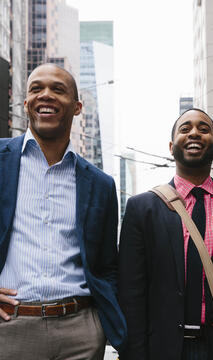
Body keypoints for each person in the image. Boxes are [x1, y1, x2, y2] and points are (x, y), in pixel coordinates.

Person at [118, 108, 213, 360]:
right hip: (162, 350)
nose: (194, 133)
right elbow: (130, 293)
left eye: (204, 129)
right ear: (172, 146)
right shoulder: (142, 209)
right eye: (185, 129)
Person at [0, 63, 126, 359]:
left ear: (77, 106)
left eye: (58, 89)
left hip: (80, 333)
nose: (46, 95)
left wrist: (98, 325)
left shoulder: (101, 184)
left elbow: (107, 265)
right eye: (36, 89)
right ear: (26, 103)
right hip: (9, 328)